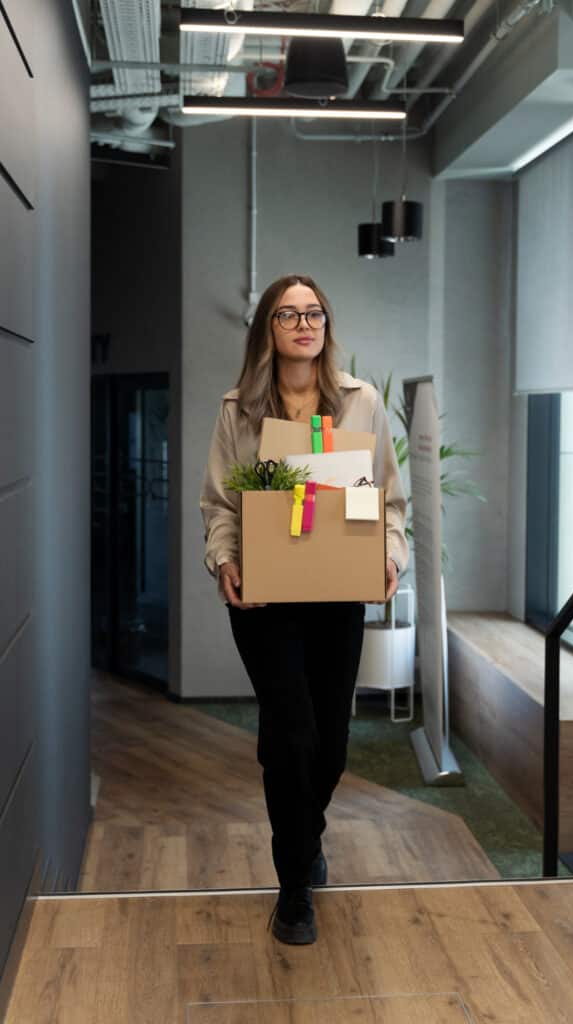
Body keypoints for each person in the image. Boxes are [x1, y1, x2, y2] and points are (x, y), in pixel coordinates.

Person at [199, 274, 408, 945]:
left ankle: (306, 833)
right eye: (288, 313)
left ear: (325, 323)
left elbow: (387, 500)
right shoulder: (240, 409)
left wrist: (389, 556)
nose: (303, 322)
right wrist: (226, 562)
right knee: (290, 734)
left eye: (314, 311)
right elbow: (220, 506)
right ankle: (294, 887)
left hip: (336, 591)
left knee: (330, 745)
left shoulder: (360, 403)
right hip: (264, 598)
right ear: (267, 327)